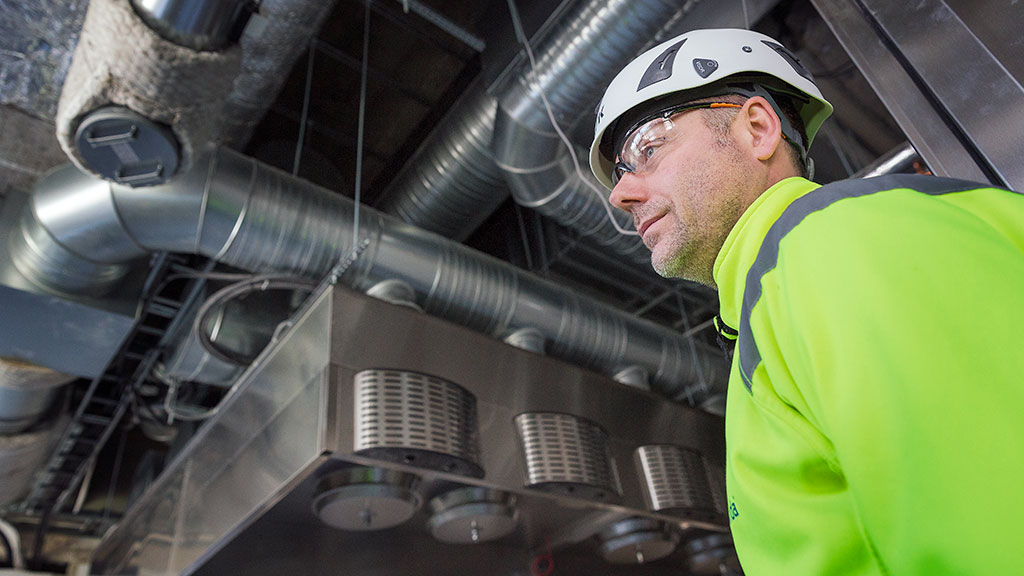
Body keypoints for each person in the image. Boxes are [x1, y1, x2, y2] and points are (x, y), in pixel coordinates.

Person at [589, 28, 1024, 575]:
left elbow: (996, 522)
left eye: (647, 149)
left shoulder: (834, 245)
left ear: (757, 128)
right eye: (623, 172)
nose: (620, 194)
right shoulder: (778, 298)